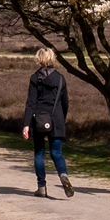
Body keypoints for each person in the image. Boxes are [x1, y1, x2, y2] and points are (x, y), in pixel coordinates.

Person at [21, 47, 73, 199]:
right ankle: (63, 175)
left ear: (39, 59)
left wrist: (26, 124)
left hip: (39, 119)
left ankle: (41, 186)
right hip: (56, 118)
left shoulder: (35, 78)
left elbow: (30, 103)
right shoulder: (61, 78)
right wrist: (61, 119)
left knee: (39, 153)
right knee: (57, 153)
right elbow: (65, 102)